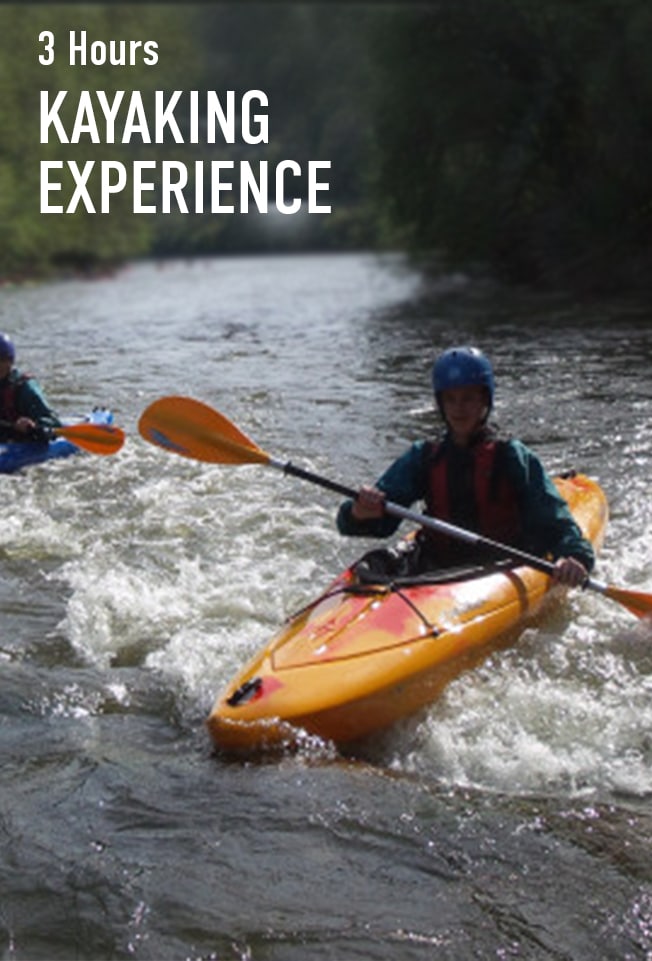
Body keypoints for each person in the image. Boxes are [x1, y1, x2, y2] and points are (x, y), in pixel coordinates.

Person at [336, 345, 594, 587]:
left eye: (468, 398)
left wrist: (574, 557)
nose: (459, 409)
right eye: (451, 399)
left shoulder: (511, 455)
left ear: (485, 400)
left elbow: (554, 520)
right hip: (438, 566)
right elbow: (367, 521)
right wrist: (359, 511)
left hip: (501, 566)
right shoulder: (424, 456)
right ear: (441, 403)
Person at [0, 334, 61, 442]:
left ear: (10, 362)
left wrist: (33, 426)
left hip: (23, 440)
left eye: (1, 360)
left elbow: (54, 425)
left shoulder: (25, 389)